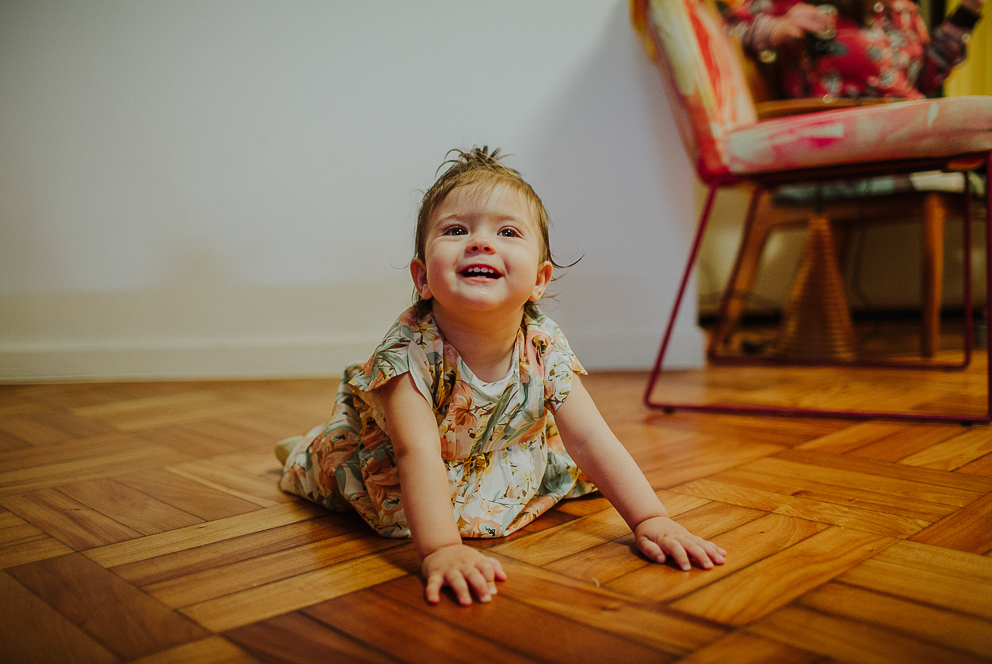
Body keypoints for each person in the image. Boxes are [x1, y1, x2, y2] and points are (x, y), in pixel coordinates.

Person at [275, 147, 726, 606]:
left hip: (499, 449)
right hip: (407, 459)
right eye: (456, 230)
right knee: (330, 468)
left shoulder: (543, 344)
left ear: (539, 281)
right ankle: (305, 448)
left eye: (507, 231)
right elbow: (416, 450)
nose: (480, 242)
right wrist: (443, 549)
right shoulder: (409, 352)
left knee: (566, 464)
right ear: (422, 278)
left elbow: (590, 438)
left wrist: (651, 519)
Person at [723, 0, 985, 100]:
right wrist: (776, 28)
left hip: (909, 129)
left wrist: (967, 13)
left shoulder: (900, 9)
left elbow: (924, 78)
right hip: (837, 135)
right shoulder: (795, 4)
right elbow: (724, 28)